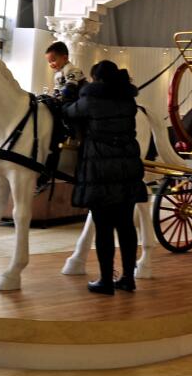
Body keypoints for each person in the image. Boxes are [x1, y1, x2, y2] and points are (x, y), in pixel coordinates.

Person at [63, 60, 148, 296]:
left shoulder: (91, 100)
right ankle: (128, 278)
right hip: (127, 169)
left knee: (103, 228)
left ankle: (105, 281)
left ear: (95, 78)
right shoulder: (128, 100)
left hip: (100, 171)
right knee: (126, 226)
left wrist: (69, 93)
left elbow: (68, 112)